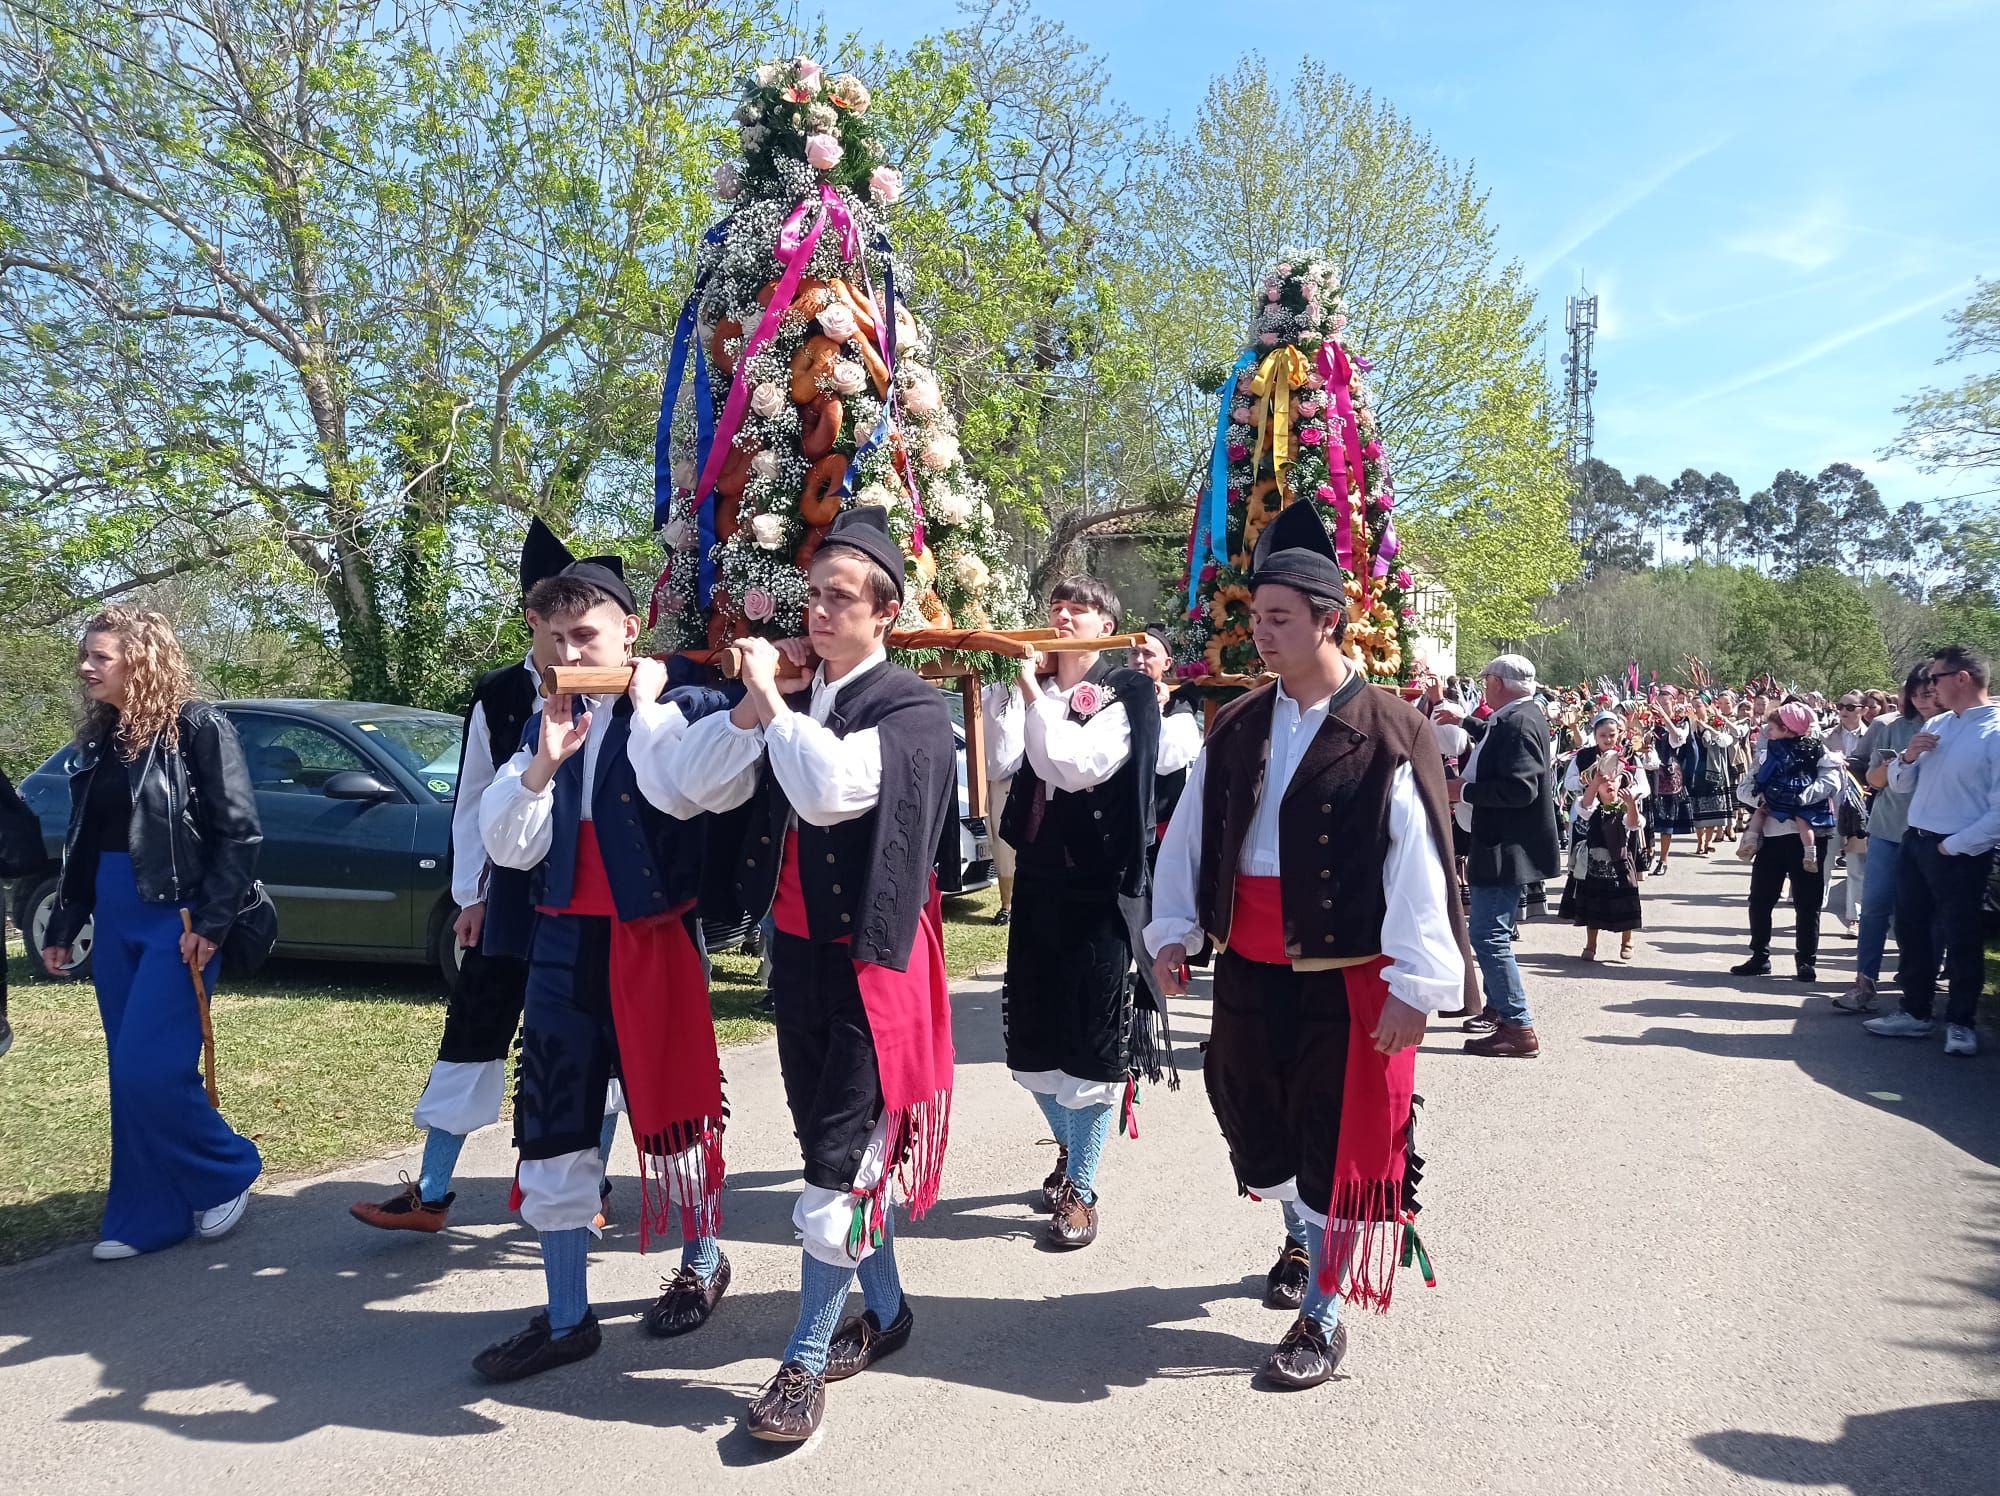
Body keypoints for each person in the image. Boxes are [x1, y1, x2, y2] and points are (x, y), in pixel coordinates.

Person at [649, 509, 958, 1443]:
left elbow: (825, 793)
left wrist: (775, 705)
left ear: (886, 614)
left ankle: (802, 1360)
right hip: (803, 964)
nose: (818, 612)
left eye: (839, 598)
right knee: (845, 1159)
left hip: (876, 965)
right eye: (812, 595)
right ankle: (891, 1312)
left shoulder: (909, 708)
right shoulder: (794, 694)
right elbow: (692, 786)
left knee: (835, 1168)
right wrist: (754, 704)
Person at [1147, 501, 1465, 1389]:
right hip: (1250, 960)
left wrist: (1416, 984)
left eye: (1278, 618)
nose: (1261, 633)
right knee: (1250, 1108)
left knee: (1332, 1135)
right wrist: (1174, 928)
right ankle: (1302, 1233)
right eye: (1255, 617)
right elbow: (1192, 835)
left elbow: (1419, 867)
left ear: (1330, 620)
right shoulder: (1240, 721)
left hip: (1346, 975)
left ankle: (1323, 1311)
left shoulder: (1390, 728)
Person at [473, 556, 736, 1381]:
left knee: (675, 1111)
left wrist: (647, 706)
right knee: (553, 1123)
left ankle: (702, 1259)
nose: (567, 651)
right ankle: (565, 1318)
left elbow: (694, 799)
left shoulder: (680, 705)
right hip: (562, 945)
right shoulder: (537, 722)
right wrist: (545, 762)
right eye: (552, 638)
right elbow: (510, 848)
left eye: (583, 634)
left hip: (650, 937)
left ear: (630, 629)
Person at [350, 519, 623, 1235]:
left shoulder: (625, 689)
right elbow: (472, 797)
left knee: (596, 1039)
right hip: (513, 892)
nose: (560, 630)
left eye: (577, 617)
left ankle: (588, 1190)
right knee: (474, 1027)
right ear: (532, 617)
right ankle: (432, 1190)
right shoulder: (501, 694)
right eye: (545, 613)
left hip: (600, 892)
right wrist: (471, 894)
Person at [40, 608, 263, 1260]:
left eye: (99, 656)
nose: (86, 666)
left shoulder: (197, 726)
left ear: (142, 659)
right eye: (85, 654)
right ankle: (146, 1216)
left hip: (181, 922)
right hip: (114, 921)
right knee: (125, 1073)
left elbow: (240, 831)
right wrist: (66, 920)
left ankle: (226, 1170)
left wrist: (214, 924)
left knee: (149, 1071)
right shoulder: (102, 738)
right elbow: (86, 842)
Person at [984, 575, 1160, 1252]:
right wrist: (1007, 689)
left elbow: (1075, 763)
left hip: (1100, 888)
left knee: (1091, 1044)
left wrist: (1034, 695)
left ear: (1106, 622)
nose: (1062, 614)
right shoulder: (1040, 685)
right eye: (1057, 605)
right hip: (1039, 881)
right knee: (1032, 1039)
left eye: (1079, 608)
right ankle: (1070, 1153)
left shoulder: (1127, 691)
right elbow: (1005, 762)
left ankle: (1082, 1189)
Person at [1864, 645, 2000, 1056]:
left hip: (1958, 850)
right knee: (1912, 930)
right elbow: (1901, 785)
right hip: (1917, 840)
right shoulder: (1940, 724)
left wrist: (1954, 846)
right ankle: (1915, 1011)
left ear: (1962, 678)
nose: (1930, 687)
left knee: (1960, 937)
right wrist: (1907, 756)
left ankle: (1961, 1021)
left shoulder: (1993, 732)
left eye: (1937, 678)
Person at [1458, 655, 1561, 1060]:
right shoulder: (1521, 715)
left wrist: (1461, 791)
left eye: (1486, 680)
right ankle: (1504, 1015)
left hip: (1505, 846)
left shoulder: (1519, 722)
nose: (1484, 686)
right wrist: (1465, 723)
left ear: (1498, 683)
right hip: (1503, 845)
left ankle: (1517, 1025)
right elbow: (1498, 745)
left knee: (1488, 936)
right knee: (1489, 934)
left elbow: (1520, 788)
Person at [1835, 666, 1938, 1013]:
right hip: (1888, 829)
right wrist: (1905, 759)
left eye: (1931, 691)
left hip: (1936, 835)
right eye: (1917, 691)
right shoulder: (1889, 727)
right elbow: (1874, 780)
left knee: (1925, 912)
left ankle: (1920, 984)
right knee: (1876, 905)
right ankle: (1864, 983)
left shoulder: (1954, 726)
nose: (1924, 698)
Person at [1732, 703, 1844, 982]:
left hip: (1809, 835)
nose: (1768, 731)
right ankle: (1760, 955)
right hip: (1771, 837)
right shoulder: (1766, 754)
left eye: (1774, 726)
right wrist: (1764, 800)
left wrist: (1796, 798)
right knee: (1760, 899)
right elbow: (1744, 788)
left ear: (1788, 729)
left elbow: (1831, 783)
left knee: (1807, 903)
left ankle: (1806, 960)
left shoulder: (1817, 751)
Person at [1558, 712, 1648, 963]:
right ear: (1595, 735)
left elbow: (1644, 785)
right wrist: (1593, 781)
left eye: (1612, 734)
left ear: (1619, 733)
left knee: (1624, 888)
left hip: (1621, 817)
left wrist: (1627, 795)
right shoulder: (1584, 756)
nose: (1608, 739)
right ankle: (1591, 943)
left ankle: (1627, 939)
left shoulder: (1629, 756)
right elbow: (1571, 782)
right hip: (1593, 818)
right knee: (1591, 886)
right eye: (1602, 735)